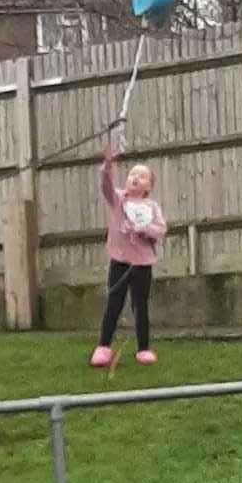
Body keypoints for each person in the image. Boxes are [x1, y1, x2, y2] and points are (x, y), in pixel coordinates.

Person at [90, 145, 167, 368]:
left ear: (148, 187)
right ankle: (103, 347)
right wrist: (107, 166)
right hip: (120, 261)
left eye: (142, 176)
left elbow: (161, 229)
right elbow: (105, 185)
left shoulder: (152, 206)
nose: (135, 177)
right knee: (114, 302)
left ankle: (143, 349)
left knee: (140, 305)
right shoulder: (118, 200)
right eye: (133, 174)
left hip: (142, 264)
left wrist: (144, 230)